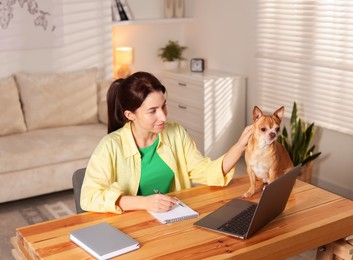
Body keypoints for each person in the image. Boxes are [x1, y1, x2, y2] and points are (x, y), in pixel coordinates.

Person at [80, 71, 253, 214]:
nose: (163, 116)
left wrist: (239, 147)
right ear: (130, 115)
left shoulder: (175, 133)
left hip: (173, 218)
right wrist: (144, 203)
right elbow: (89, 197)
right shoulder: (110, 146)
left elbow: (204, 171)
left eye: (163, 106)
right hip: (129, 224)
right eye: (152, 111)